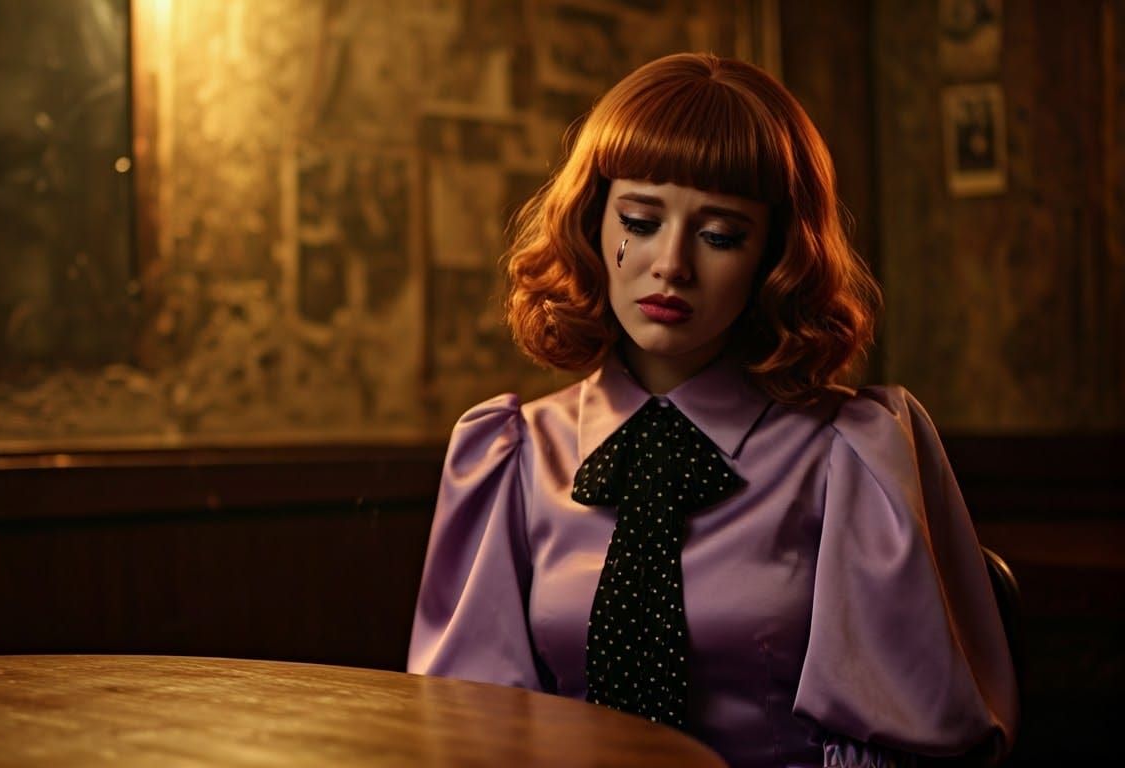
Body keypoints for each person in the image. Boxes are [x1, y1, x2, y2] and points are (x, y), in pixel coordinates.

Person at [407, 53, 1018, 768]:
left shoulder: (853, 455)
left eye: (720, 235)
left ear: (774, 255)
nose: (672, 264)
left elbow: (899, 740)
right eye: (639, 218)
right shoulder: (509, 455)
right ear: (595, 221)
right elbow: (474, 729)